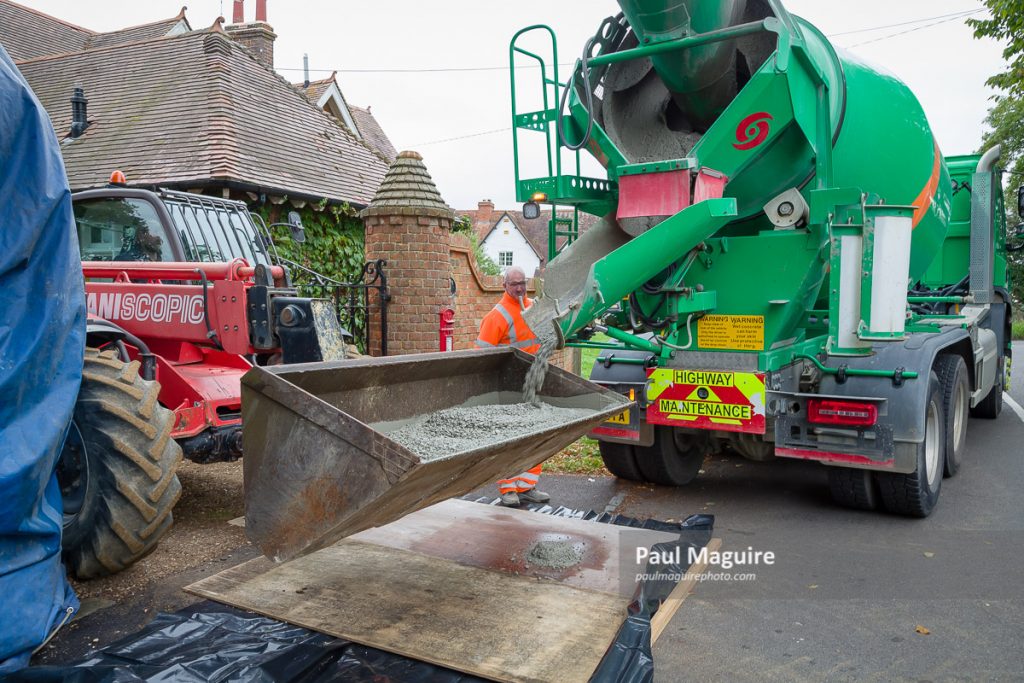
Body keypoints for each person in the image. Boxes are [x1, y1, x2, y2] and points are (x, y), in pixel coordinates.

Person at [476, 266, 551, 507]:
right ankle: (508, 488)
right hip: (508, 385)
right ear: (504, 286)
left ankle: (527, 486)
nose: (519, 287)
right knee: (510, 436)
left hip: (532, 381)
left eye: (522, 282)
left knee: (533, 435)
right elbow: (482, 357)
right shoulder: (496, 316)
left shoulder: (533, 308)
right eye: (514, 284)